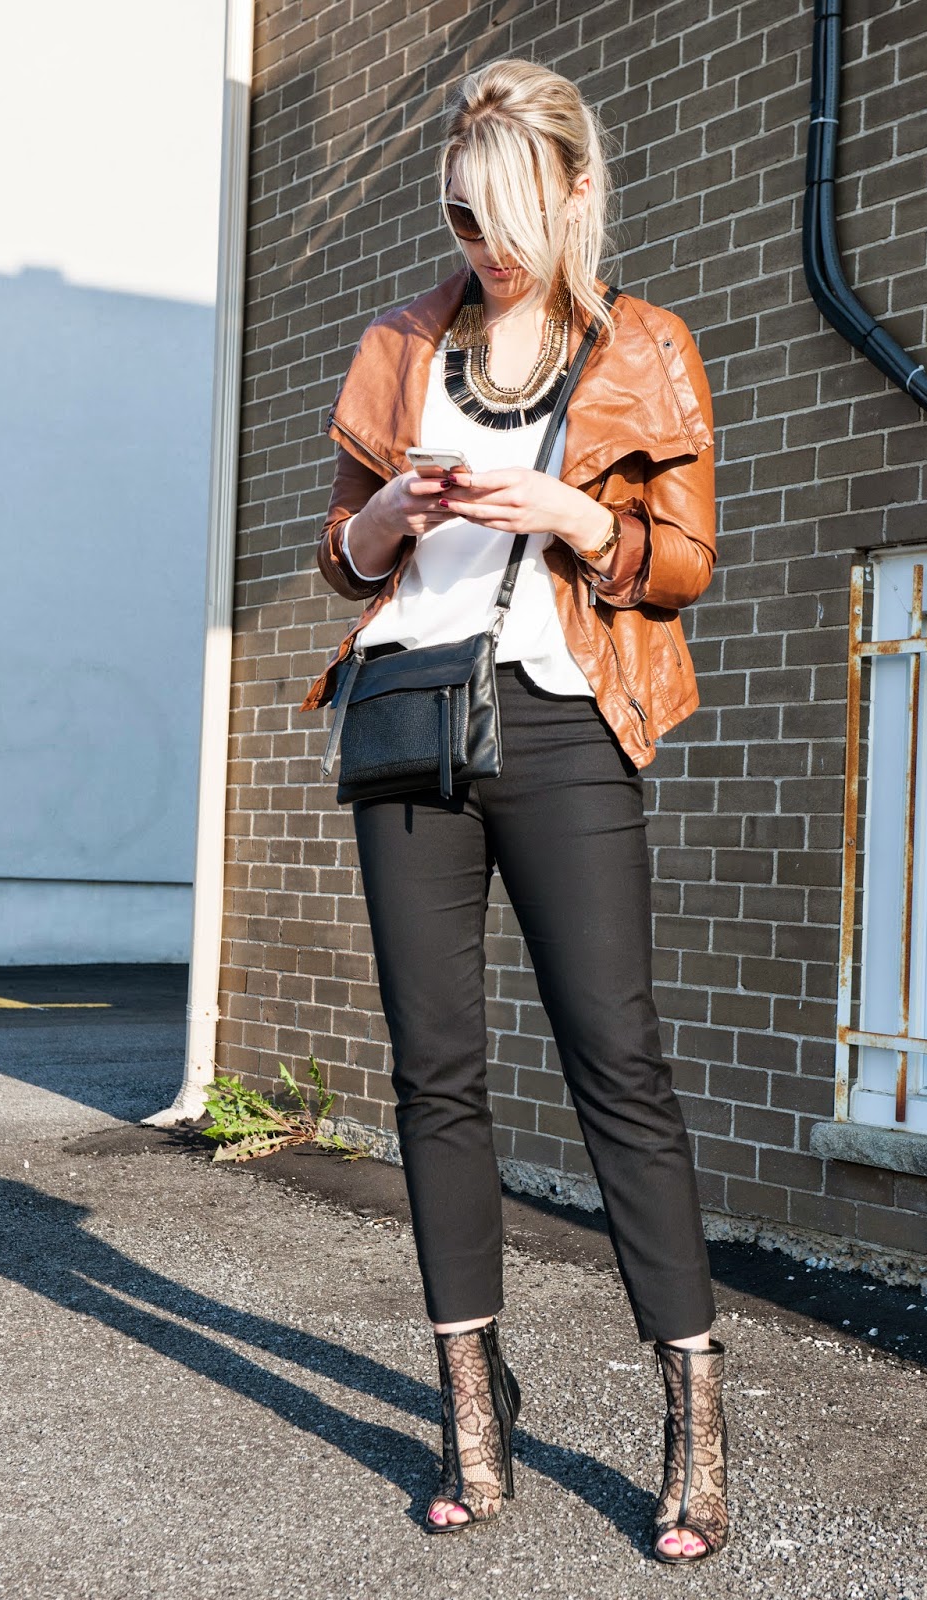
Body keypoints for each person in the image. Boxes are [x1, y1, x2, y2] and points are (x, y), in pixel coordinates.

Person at [301, 58, 729, 1564]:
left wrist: (569, 514)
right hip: (410, 720)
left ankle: (690, 1411)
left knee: (618, 1062)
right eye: (457, 218)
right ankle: (473, 1412)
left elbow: (680, 565)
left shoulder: (645, 345)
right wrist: (389, 516)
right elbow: (340, 562)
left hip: (562, 724)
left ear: (571, 197)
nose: (478, 249)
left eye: (501, 218)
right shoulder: (401, 345)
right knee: (435, 1075)